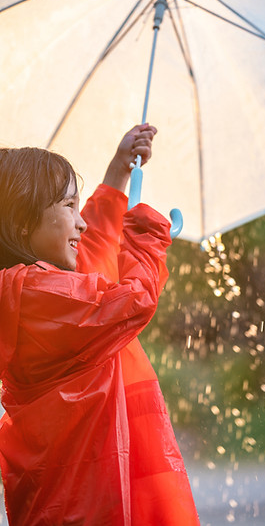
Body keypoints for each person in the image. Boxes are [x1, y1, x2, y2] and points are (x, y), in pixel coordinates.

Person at [0, 125, 200, 525]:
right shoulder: (34, 294)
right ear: (23, 223)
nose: (82, 222)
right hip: (82, 504)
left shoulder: (34, 288)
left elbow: (92, 252)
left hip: (72, 497)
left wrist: (118, 172)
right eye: (68, 207)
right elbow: (131, 302)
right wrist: (146, 241)